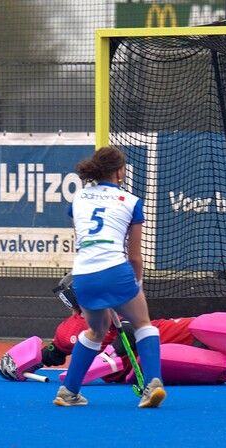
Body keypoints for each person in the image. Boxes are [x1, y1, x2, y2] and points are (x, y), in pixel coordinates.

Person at [0, 275, 226, 386]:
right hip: (148, 357)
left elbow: (54, 351)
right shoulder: (89, 322)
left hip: (140, 365)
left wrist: (24, 361)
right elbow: (57, 349)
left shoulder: (71, 329)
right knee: (199, 326)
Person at [55, 145, 164, 407]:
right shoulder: (131, 201)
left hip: (84, 275)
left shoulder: (78, 199)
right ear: (119, 172)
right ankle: (154, 384)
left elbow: (82, 241)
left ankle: (68, 392)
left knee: (96, 329)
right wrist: (134, 286)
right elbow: (135, 256)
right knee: (143, 324)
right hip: (116, 271)